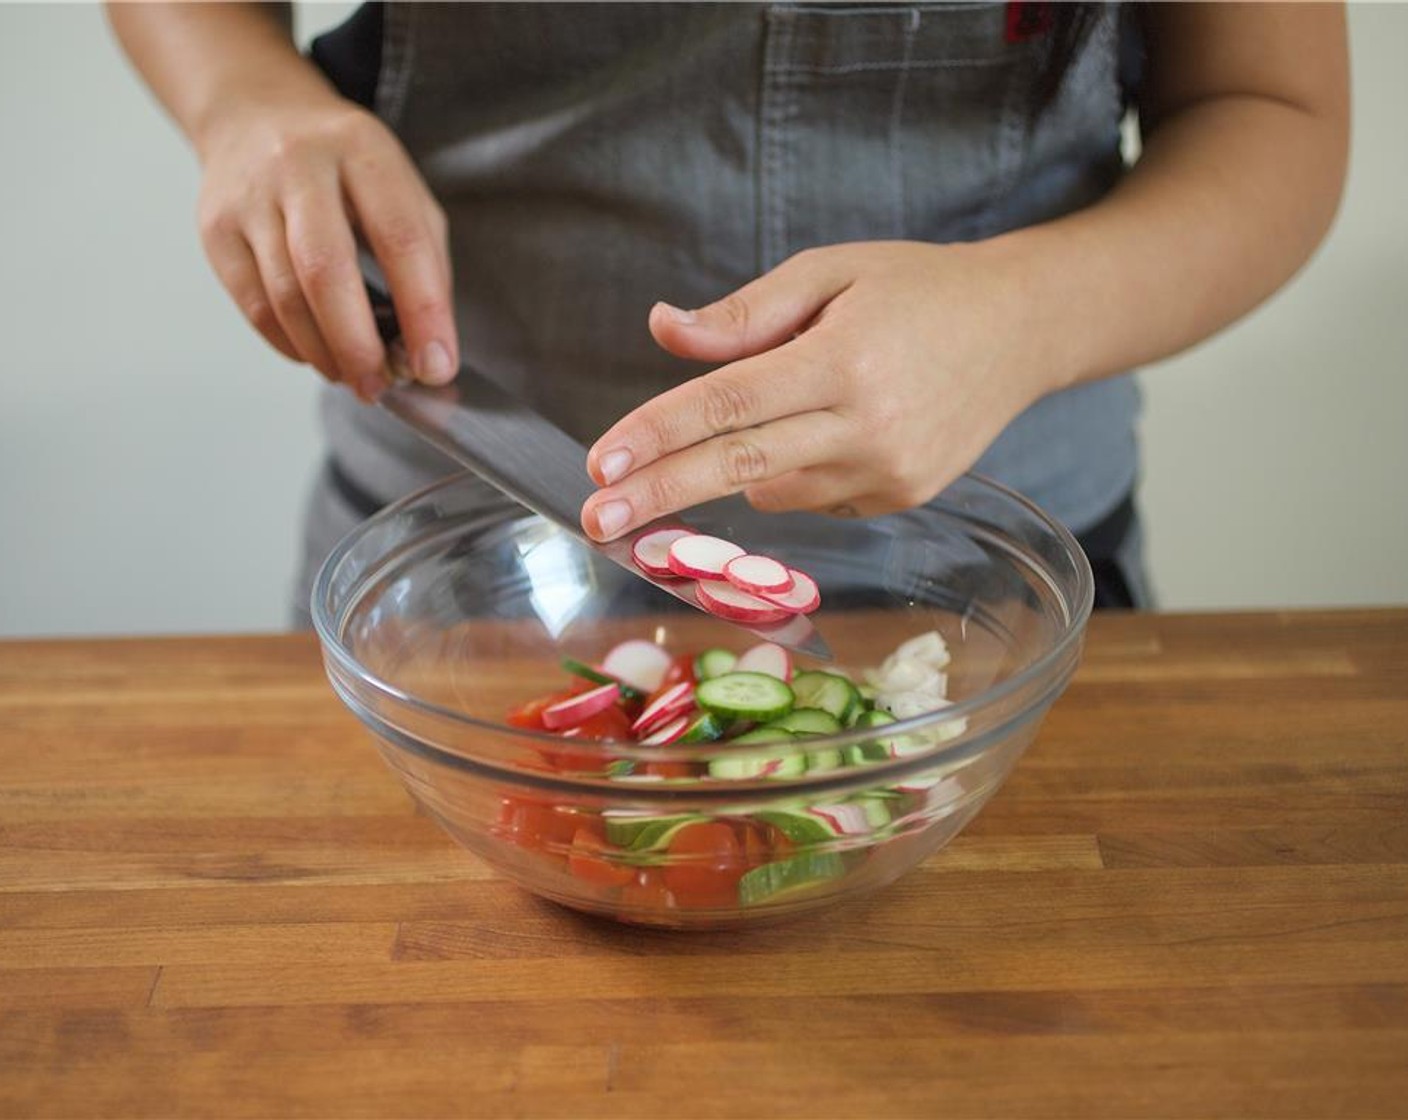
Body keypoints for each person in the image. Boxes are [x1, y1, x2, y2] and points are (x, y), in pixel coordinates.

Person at [107, 2, 1349, 620]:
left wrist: (1021, 316)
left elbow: (1272, 109)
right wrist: (244, 98)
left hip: (990, 579)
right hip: (455, 562)